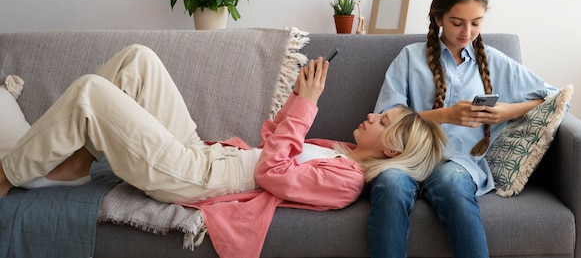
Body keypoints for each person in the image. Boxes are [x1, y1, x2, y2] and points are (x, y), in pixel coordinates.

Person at [0, 44, 447, 258]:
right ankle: (81, 158)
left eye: (382, 122)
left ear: (390, 150)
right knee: (138, 59)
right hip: (204, 154)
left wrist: (307, 107)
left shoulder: (346, 180)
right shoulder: (340, 150)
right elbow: (273, 139)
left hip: (197, 177)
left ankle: (5, 175)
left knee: (90, 92)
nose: (373, 116)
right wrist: (298, 98)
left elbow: (272, 171)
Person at [368, 0, 559, 258]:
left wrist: (507, 111)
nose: (467, 32)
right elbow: (385, 120)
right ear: (438, 18)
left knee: (453, 183)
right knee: (391, 183)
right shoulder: (409, 58)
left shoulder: (493, 60)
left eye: (476, 22)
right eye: (457, 22)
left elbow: (554, 98)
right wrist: (444, 115)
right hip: (406, 158)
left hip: (459, 162)